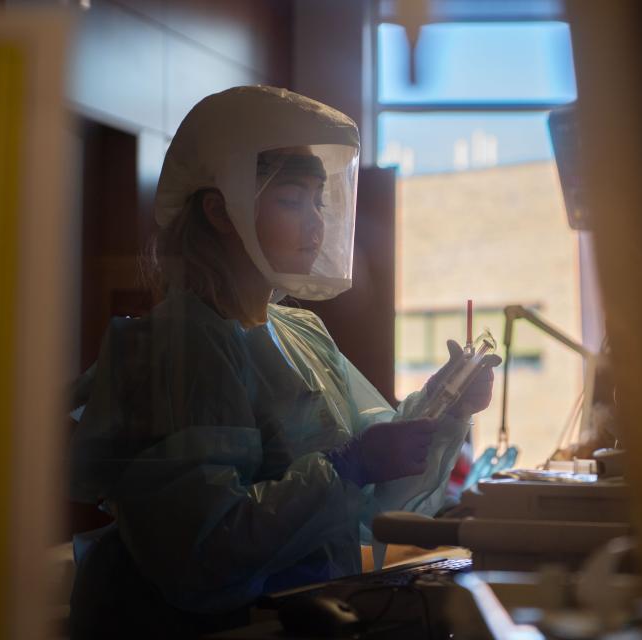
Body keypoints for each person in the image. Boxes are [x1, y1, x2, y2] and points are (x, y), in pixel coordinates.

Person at [68, 86, 500, 638]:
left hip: (306, 617)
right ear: (222, 210)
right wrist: (348, 468)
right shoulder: (180, 346)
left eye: (319, 202)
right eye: (292, 201)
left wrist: (445, 410)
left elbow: (379, 495)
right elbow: (205, 552)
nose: (316, 224)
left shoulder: (300, 332)